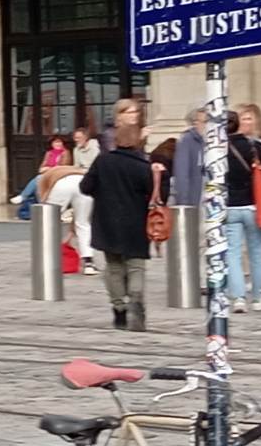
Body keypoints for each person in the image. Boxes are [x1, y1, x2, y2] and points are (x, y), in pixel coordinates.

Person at [80, 121, 155, 331]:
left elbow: (85, 186)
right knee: (136, 266)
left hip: (107, 222)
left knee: (113, 267)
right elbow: (153, 192)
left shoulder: (103, 161)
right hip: (136, 222)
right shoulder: (143, 165)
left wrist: (101, 192)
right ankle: (136, 298)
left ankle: (119, 309)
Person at [227, 106, 261, 314]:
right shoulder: (254, 147)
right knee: (256, 253)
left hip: (229, 206)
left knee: (233, 254)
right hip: (253, 205)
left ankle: (238, 297)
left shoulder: (217, 148)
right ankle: (258, 296)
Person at [41, 165, 96, 275]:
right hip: (83, 184)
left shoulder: (45, 177)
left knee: (48, 220)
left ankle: (47, 259)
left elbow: (43, 198)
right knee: (83, 223)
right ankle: (89, 264)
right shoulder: (77, 171)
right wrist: (71, 232)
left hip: (61, 185)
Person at [10, 134, 70, 217]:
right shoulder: (49, 153)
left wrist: (48, 169)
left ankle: (26, 197)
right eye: (55, 142)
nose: (57, 144)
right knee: (38, 180)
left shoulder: (65, 153)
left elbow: (63, 167)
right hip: (47, 175)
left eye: (59, 142)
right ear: (52, 144)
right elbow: (41, 168)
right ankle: (36, 201)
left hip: (58, 175)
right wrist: (46, 169)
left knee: (38, 178)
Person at [170, 107, 206, 206]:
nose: (208, 126)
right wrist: (183, 202)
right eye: (205, 122)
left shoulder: (212, 141)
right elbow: (182, 173)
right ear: (195, 123)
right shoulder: (187, 140)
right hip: (194, 199)